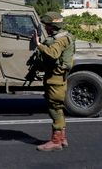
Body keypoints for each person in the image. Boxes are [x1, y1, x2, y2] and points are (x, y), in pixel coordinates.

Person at [34, 11, 75, 152]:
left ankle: (56, 141)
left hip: (56, 79)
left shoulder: (61, 39)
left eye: (47, 25)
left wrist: (39, 44)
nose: (46, 28)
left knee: (54, 108)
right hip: (56, 77)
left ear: (53, 26)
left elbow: (53, 54)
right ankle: (62, 138)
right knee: (58, 108)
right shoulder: (63, 36)